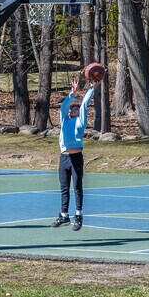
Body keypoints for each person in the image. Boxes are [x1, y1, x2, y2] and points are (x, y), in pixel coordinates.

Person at [51, 78, 99, 231]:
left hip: (76, 158)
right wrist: (72, 93)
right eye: (72, 108)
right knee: (64, 188)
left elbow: (84, 105)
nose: (73, 109)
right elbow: (63, 108)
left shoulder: (80, 122)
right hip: (64, 158)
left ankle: (78, 215)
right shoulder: (65, 120)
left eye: (76, 109)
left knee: (77, 187)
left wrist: (91, 89)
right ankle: (64, 215)